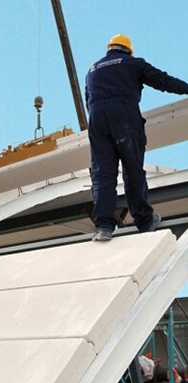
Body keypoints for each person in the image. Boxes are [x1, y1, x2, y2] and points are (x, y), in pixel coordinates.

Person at [85, 34, 188, 242]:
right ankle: (144, 220)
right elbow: (163, 81)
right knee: (132, 169)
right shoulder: (133, 64)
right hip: (123, 114)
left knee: (103, 174)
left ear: (110, 48)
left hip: (96, 118)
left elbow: (89, 99)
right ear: (128, 50)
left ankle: (104, 226)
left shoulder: (92, 70)